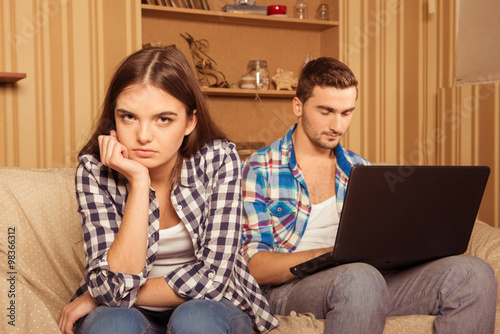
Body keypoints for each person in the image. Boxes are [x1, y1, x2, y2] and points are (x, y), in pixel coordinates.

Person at [240, 57, 498, 333]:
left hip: (366, 280)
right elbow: (255, 265)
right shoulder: (259, 168)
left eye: (346, 112)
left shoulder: (360, 169)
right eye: (326, 111)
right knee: (360, 277)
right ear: (298, 106)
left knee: (474, 274)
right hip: (288, 290)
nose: (337, 125)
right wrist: (329, 256)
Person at [57, 46, 279, 334]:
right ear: (114, 118)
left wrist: (98, 295)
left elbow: (212, 280)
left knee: (194, 320)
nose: (144, 136)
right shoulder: (94, 171)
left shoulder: (218, 160)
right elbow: (111, 286)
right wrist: (139, 182)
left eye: (163, 119)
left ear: (190, 121)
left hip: (211, 305)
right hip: (128, 313)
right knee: (112, 324)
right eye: (129, 117)